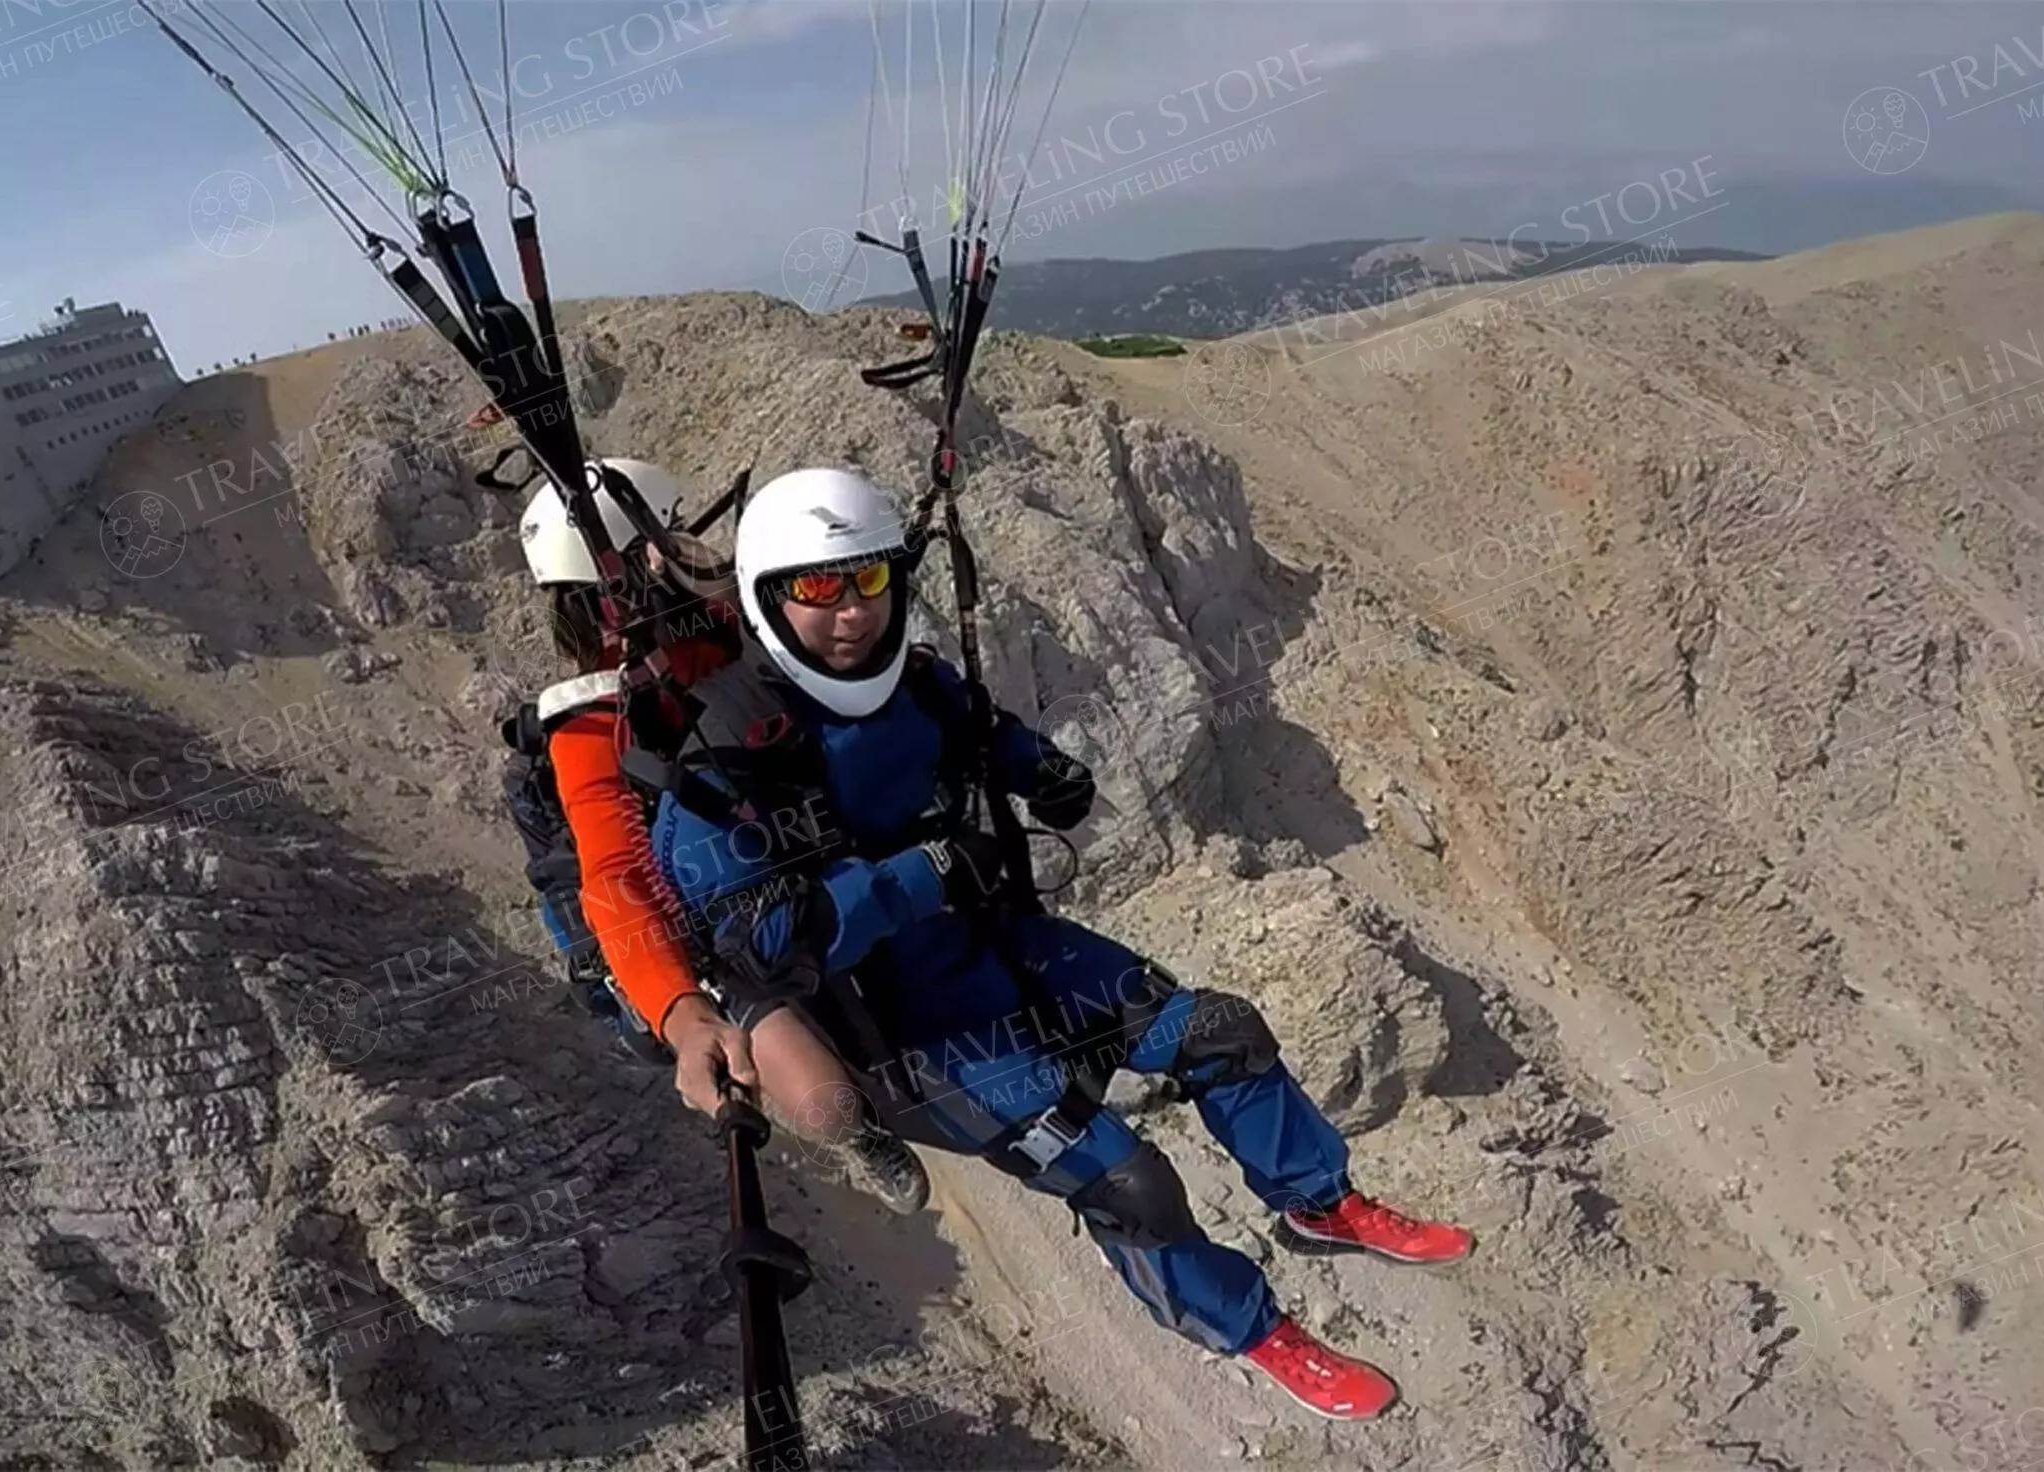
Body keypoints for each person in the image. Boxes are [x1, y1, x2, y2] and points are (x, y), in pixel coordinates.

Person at [642, 465, 1476, 1422]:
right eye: (818, 588)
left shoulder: (915, 684)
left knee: (1220, 1031)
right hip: (903, 1033)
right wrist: (923, 873)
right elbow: (765, 947)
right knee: (1128, 1183)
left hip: (1001, 947)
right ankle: (1254, 1330)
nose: (853, 612)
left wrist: (1044, 772)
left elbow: (979, 729)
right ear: (766, 597)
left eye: (870, 579)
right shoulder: (724, 757)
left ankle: (1317, 1200)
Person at [506, 457, 931, 1214]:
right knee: (816, 1090)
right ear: (637, 567)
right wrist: (682, 1010)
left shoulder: (716, 627)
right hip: (701, 914)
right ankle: (862, 1136)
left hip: (779, 826)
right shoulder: (592, 720)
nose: (694, 549)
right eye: (673, 536)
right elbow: (616, 876)